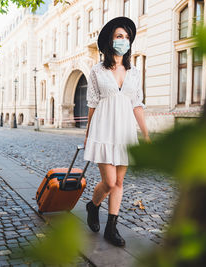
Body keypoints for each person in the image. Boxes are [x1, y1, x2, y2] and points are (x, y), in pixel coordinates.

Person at [83, 16, 150, 247]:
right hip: (103, 128)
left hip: (125, 130)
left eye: (127, 37)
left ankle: (112, 227)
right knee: (109, 182)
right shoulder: (97, 71)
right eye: (119, 36)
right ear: (110, 41)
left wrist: (146, 134)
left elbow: (137, 104)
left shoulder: (133, 72)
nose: (124, 40)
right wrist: (88, 132)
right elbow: (92, 103)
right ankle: (93, 205)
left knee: (119, 182)